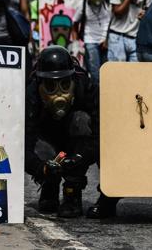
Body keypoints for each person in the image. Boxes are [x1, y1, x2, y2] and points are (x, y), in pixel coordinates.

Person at [25, 46, 99, 218]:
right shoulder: (31, 95)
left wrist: (80, 158)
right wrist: (40, 169)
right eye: (50, 86)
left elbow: (99, 135)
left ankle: (72, 192)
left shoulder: (85, 87)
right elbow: (23, 142)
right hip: (46, 135)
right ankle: (49, 186)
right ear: (40, 84)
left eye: (65, 84)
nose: (59, 94)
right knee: (40, 147)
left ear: (73, 80)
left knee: (82, 120)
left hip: (75, 137)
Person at [71, 0, 111, 85]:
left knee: (107, 72)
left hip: (105, 41)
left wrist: (107, 39)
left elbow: (113, 23)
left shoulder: (109, 4)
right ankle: (96, 99)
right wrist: (76, 44)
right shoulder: (82, 5)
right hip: (90, 41)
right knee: (94, 74)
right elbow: (74, 24)